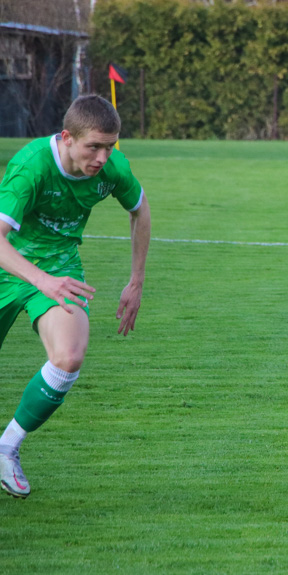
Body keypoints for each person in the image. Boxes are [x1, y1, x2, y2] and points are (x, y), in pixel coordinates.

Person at [0, 94, 151, 498]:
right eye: (94, 146)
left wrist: (136, 281)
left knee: (68, 357)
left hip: (60, 266)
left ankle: (7, 447)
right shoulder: (31, 167)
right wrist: (40, 280)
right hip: (8, 263)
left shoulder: (112, 168)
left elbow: (140, 208)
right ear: (67, 138)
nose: (103, 157)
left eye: (109, 146)